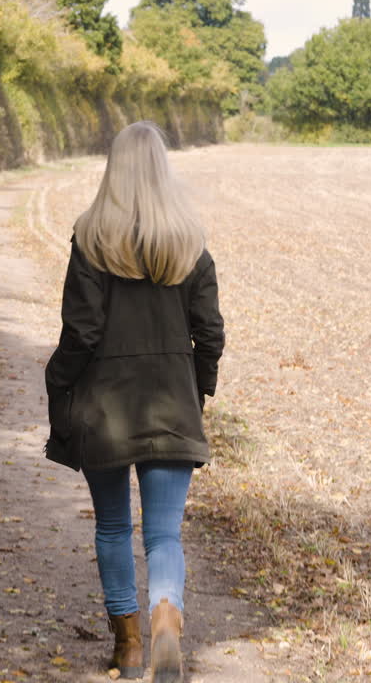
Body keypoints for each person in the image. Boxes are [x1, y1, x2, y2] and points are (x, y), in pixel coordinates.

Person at [44, 121, 224, 682]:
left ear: (114, 168)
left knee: (114, 527)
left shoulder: (92, 237)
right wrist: (199, 388)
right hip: (171, 402)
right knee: (165, 534)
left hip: (107, 409)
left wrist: (60, 381)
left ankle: (127, 646)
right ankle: (166, 622)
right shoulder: (188, 241)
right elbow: (210, 332)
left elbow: (82, 332)